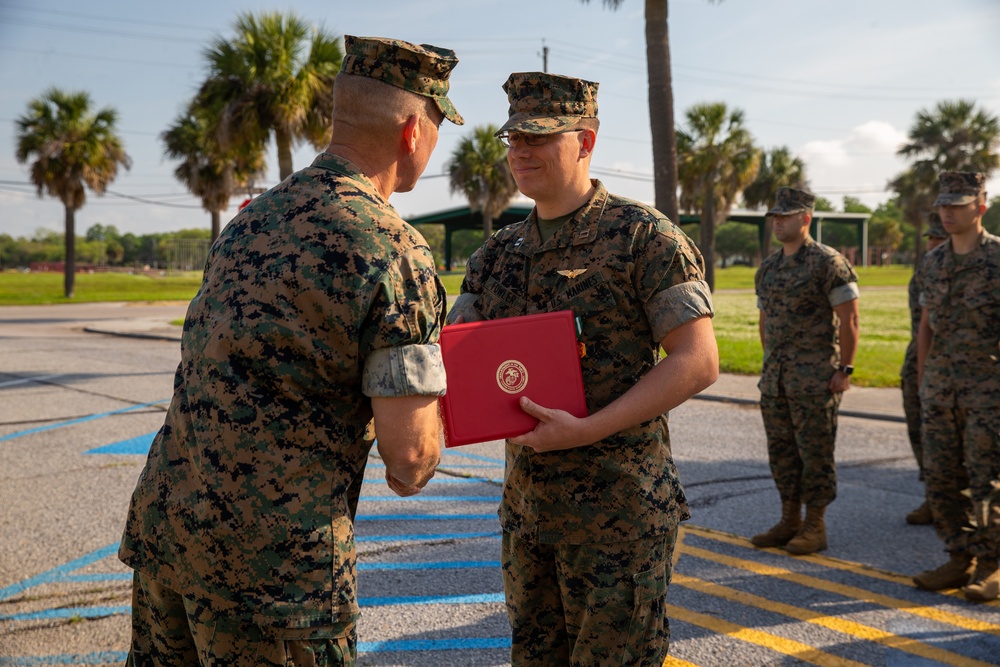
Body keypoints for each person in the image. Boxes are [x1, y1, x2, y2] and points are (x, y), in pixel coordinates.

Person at [118, 35, 464, 665]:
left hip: (169, 540)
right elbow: (410, 458)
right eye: (440, 126)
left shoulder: (250, 220)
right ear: (413, 131)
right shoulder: (394, 249)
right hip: (276, 583)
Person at [448, 72, 718, 666]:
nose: (520, 151)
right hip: (529, 513)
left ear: (585, 140)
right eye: (513, 138)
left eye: (539, 138)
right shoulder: (497, 253)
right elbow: (458, 355)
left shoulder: (643, 237)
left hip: (618, 515)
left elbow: (698, 361)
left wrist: (589, 428)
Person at [751, 187, 860, 555]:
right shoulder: (769, 267)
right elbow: (764, 322)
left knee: (815, 454)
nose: (778, 221)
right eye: (775, 216)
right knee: (782, 454)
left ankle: (815, 525)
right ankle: (789, 520)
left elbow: (850, 320)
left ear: (806, 219)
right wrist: (772, 366)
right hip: (777, 381)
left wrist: (844, 369)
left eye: (786, 215)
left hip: (816, 380)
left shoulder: (828, 262)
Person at [912, 171, 1000, 601]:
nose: (946, 213)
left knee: (988, 481)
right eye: (942, 205)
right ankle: (957, 556)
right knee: (942, 479)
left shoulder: (998, 258)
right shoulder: (933, 261)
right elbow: (926, 325)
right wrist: (925, 379)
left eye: (957, 205)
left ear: (980, 207)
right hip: (941, 391)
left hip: (989, 391)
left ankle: (992, 564)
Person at [900, 213, 949, 525]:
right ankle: (934, 495)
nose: (932, 243)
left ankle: (957, 502)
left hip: (956, 366)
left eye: (938, 238)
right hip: (918, 359)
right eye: (929, 238)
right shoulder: (924, 272)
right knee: (919, 429)